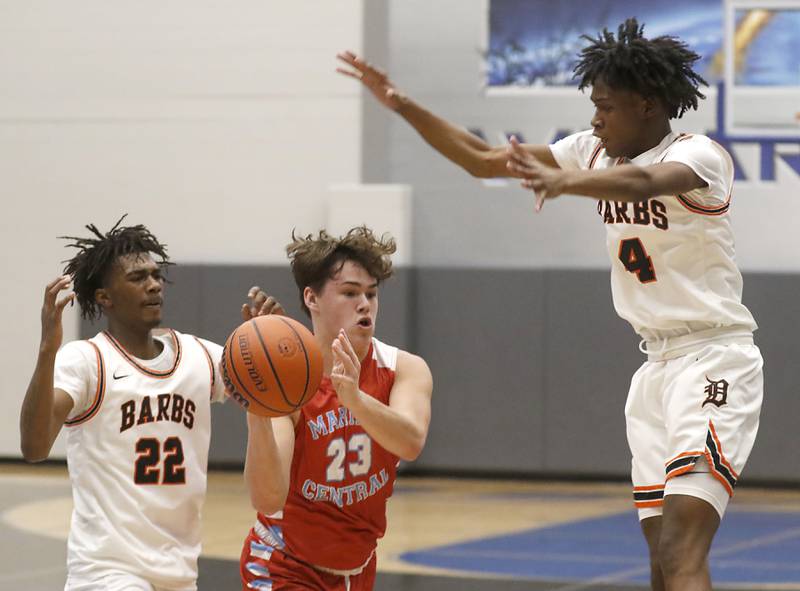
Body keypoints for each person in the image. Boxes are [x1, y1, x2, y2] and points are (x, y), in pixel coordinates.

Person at [337, 19, 763, 591]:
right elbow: (482, 158)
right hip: (653, 370)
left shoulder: (700, 156)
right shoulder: (593, 151)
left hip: (714, 358)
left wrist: (567, 185)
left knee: (683, 548)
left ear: (647, 104)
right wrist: (402, 105)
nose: (594, 119)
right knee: (662, 557)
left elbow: (642, 182)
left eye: (605, 107)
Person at [19, 217, 276, 591]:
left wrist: (268, 341)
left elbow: (269, 398)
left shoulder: (199, 355)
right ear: (105, 297)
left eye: (156, 275)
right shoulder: (86, 361)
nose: (154, 284)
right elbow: (35, 446)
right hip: (106, 572)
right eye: (138, 278)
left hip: (179, 572)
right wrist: (47, 349)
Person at [237, 226, 433, 591]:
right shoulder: (291, 383)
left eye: (371, 294)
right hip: (284, 564)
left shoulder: (403, 368)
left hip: (357, 568)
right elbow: (266, 497)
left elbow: (410, 442)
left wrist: (354, 399)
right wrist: (259, 409)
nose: (365, 304)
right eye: (349, 293)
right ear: (312, 298)